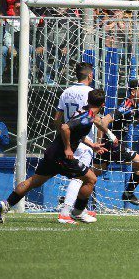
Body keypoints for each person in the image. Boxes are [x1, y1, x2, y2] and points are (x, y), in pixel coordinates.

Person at [0, 89, 112, 225]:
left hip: (53, 152)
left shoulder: (86, 112)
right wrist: (68, 148)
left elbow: (76, 132)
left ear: (88, 100)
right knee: (91, 179)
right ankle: (78, 212)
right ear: (103, 104)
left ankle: (6, 204)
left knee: (35, 181)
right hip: (62, 156)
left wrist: (92, 145)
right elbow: (64, 128)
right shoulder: (87, 116)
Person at [95, 80, 139, 207]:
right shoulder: (125, 106)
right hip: (113, 145)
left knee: (92, 175)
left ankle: (69, 196)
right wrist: (98, 143)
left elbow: (137, 116)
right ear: (133, 92)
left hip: (110, 145)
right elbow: (103, 122)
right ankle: (128, 194)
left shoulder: (134, 106)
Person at [54, 62, 98, 224]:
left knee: (82, 177)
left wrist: (63, 138)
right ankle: (66, 212)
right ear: (90, 75)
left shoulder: (66, 92)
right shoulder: (92, 93)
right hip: (85, 140)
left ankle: (80, 209)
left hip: (68, 139)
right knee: (79, 177)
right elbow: (97, 119)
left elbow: (57, 120)